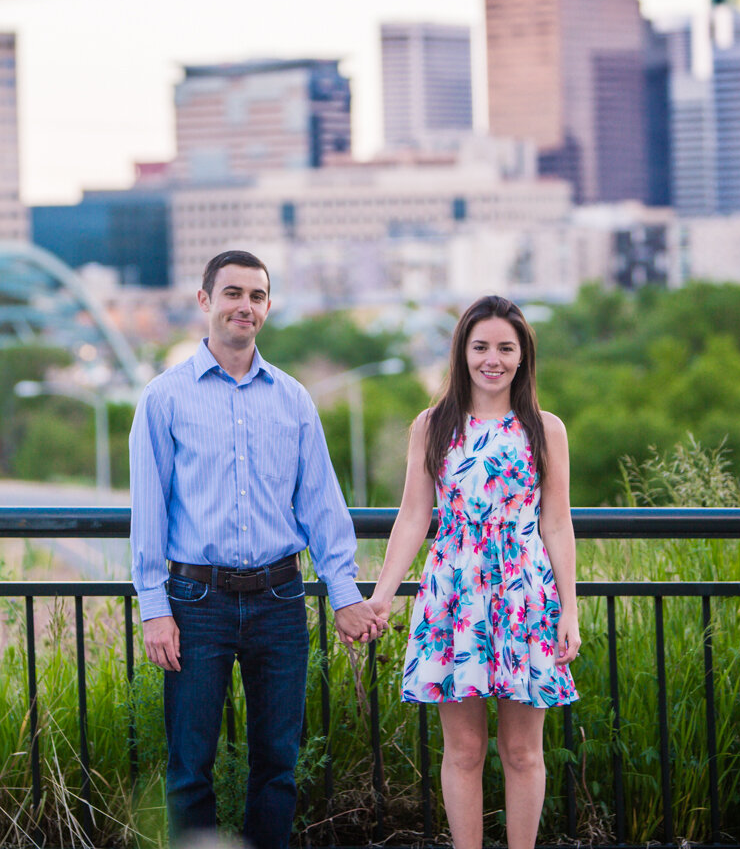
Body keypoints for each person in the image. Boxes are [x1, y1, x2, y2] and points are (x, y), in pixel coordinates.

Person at [129, 249, 387, 849]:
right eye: (233, 293)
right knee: (189, 765)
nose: (245, 306)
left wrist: (345, 593)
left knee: (278, 764)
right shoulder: (164, 398)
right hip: (195, 602)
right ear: (205, 301)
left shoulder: (293, 399)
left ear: (267, 308)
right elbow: (149, 511)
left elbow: (322, 505)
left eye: (258, 296)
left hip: (279, 600)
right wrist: (153, 606)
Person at [366, 295, 579, 849]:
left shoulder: (544, 428)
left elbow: (557, 524)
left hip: (524, 599)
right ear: (462, 352)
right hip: (454, 597)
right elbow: (414, 515)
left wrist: (569, 614)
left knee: (522, 751)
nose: (493, 358)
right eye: (480, 346)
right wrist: (383, 595)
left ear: (522, 355)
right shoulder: (433, 425)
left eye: (505, 348)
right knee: (463, 751)